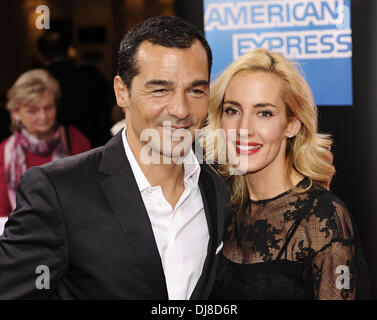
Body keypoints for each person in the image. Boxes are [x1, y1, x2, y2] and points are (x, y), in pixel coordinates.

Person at [0, 16, 225, 300]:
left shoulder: (218, 186)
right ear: (122, 92)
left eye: (195, 90)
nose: (180, 110)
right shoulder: (58, 191)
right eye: (160, 90)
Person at [205, 48, 369, 299]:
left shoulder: (322, 220)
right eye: (233, 111)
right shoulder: (221, 204)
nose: (243, 129)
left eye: (264, 113)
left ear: (292, 124)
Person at [0, 69, 91, 231]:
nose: (43, 117)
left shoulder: (75, 139)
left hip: (73, 235)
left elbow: (91, 194)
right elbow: (2, 212)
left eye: (48, 107)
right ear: (15, 113)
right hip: (23, 239)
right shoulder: (4, 152)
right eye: (32, 111)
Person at [37, 30, 114, 148]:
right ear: (69, 50)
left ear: (40, 55)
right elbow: (111, 107)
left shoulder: (38, 82)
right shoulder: (91, 75)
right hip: (97, 146)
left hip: (58, 150)